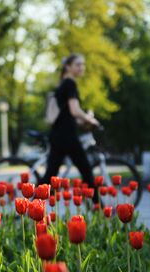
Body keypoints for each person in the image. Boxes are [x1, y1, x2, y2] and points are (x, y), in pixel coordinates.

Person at [40, 54, 100, 201]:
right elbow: (74, 111)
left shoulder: (63, 84)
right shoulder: (70, 84)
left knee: (49, 176)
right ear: (68, 66)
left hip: (59, 135)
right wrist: (91, 120)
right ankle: (98, 208)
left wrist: (82, 121)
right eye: (78, 64)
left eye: (83, 65)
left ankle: (28, 208)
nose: (82, 68)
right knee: (86, 171)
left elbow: (68, 114)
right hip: (66, 136)